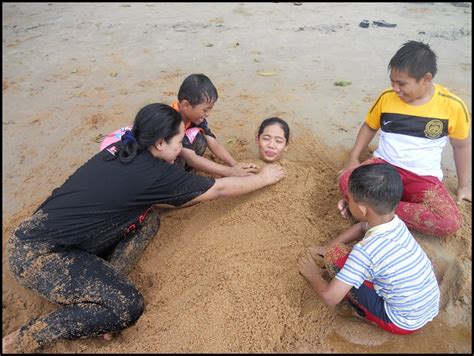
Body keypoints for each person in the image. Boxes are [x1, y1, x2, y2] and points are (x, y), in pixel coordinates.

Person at [3, 103, 285, 354]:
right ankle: (28, 337)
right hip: (38, 257)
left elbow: (163, 194)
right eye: (178, 142)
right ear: (160, 143)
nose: (182, 148)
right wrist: (264, 178)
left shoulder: (124, 145)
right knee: (126, 306)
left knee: (147, 220)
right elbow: (220, 190)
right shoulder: (154, 174)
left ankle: (99, 290)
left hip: (48, 233)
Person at [337, 40, 471, 238]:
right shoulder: (387, 97)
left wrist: (464, 185)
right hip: (383, 168)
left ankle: (374, 210)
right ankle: (372, 208)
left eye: (402, 83)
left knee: (449, 221)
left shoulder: (452, 106)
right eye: (392, 82)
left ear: (426, 79)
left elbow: (461, 146)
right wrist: (353, 158)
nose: (395, 88)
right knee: (346, 179)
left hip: (423, 178)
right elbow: (369, 126)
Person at [298, 163, 440, 335]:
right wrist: (326, 246)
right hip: (427, 305)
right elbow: (362, 227)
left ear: (362, 209)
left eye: (349, 200)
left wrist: (312, 274)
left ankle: (362, 311)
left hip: (400, 322)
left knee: (335, 256)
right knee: (334, 250)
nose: (347, 202)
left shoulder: (365, 251)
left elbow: (330, 297)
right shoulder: (395, 223)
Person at [100, 73, 258, 177]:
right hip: (127, 148)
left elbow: (212, 141)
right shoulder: (172, 123)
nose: (207, 113)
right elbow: (191, 158)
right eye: (205, 109)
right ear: (186, 105)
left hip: (158, 148)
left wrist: (235, 164)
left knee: (200, 139)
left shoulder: (196, 118)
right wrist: (231, 172)